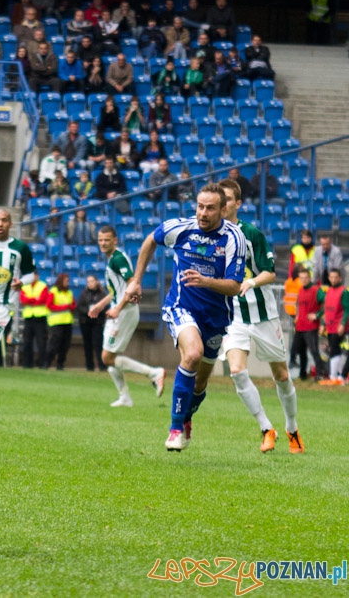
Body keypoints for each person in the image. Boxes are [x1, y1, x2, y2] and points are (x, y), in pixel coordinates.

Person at [124, 183, 247, 451]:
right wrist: (136, 281)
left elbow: (235, 286)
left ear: (223, 209)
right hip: (181, 307)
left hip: (215, 317)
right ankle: (175, 429)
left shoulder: (234, 238)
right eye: (200, 206)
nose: (203, 213)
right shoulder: (181, 228)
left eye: (210, 208)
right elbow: (150, 241)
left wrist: (206, 281)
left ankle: (187, 417)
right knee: (191, 354)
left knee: (200, 383)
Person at [215, 179, 302, 453]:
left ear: (237, 204)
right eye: (219, 200)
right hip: (233, 318)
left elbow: (270, 272)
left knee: (281, 375)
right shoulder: (209, 236)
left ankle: (292, 428)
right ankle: (267, 428)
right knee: (238, 371)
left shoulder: (251, 233)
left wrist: (250, 283)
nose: (222, 204)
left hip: (264, 316)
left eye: (227, 199)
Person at [88, 225, 166, 407]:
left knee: (107, 357)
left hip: (125, 311)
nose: (103, 243)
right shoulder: (113, 259)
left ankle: (153, 373)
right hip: (119, 309)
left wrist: (117, 309)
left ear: (115, 240)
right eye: (100, 240)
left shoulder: (118, 259)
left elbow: (132, 286)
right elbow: (118, 290)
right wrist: (101, 305)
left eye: (107, 240)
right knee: (109, 357)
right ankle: (125, 397)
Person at [290, 266, 324, 382]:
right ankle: (302, 374)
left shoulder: (316, 290)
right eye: (301, 278)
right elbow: (298, 305)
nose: (303, 280)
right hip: (300, 326)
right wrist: (298, 315)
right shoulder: (300, 290)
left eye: (305, 278)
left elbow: (326, 304)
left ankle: (320, 374)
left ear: (309, 278)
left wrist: (317, 315)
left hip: (310, 327)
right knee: (299, 350)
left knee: (314, 351)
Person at [19, 269, 52, 369]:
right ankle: (28, 363)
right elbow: (22, 300)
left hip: (40, 318)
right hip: (29, 317)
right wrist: (34, 299)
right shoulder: (25, 286)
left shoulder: (43, 285)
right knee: (27, 341)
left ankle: (42, 363)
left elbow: (42, 299)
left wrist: (30, 299)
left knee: (41, 342)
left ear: (37, 276)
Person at [77, 275, 109, 372]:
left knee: (98, 344)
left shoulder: (102, 294)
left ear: (96, 282)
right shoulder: (84, 294)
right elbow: (80, 307)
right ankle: (89, 366)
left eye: (91, 281)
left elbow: (106, 307)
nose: (90, 283)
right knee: (87, 344)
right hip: (86, 322)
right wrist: (88, 311)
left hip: (97, 322)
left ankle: (102, 366)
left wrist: (97, 311)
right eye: (88, 281)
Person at [44, 273, 75, 370]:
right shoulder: (53, 291)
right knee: (54, 344)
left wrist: (71, 307)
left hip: (67, 321)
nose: (67, 283)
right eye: (66, 281)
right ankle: (47, 362)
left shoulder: (69, 292)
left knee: (65, 344)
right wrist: (64, 307)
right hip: (56, 322)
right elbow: (49, 305)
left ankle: (60, 364)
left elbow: (73, 304)